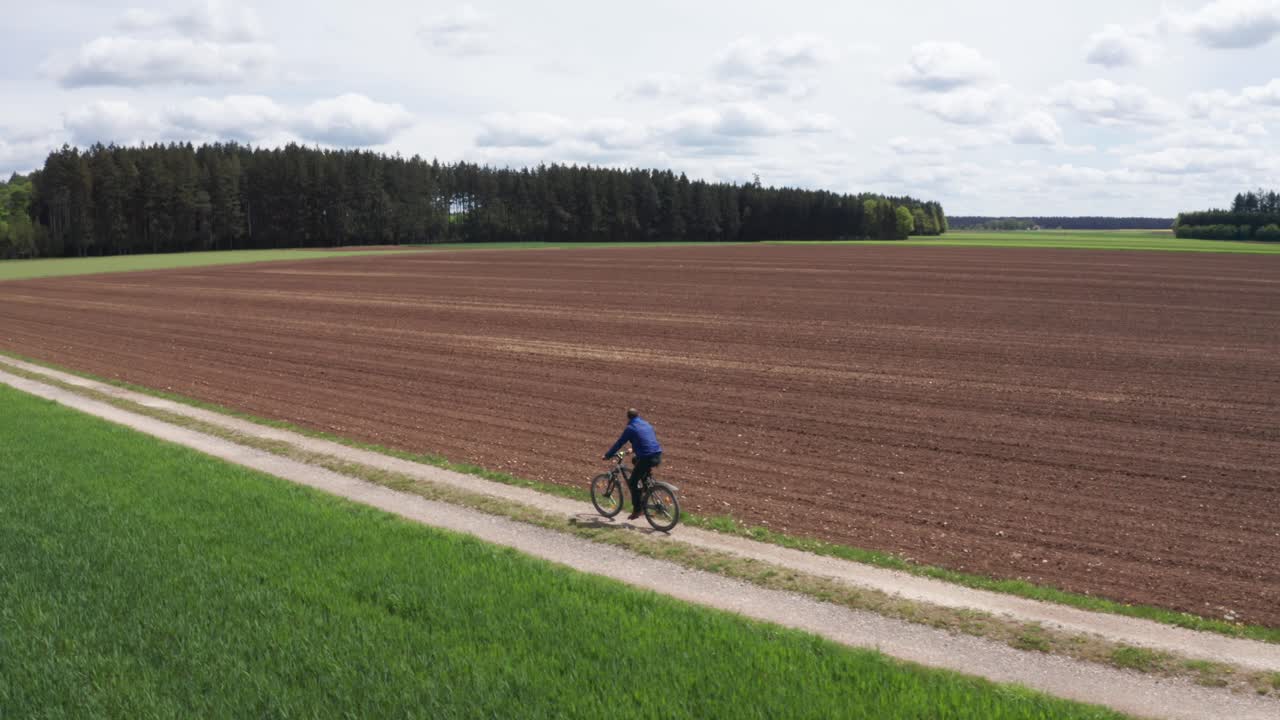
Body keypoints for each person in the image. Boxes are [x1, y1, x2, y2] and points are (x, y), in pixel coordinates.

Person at [603, 408, 664, 520]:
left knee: (632, 482)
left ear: (628, 417)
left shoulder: (630, 428)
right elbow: (646, 441)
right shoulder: (646, 424)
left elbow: (620, 442)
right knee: (635, 461)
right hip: (657, 455)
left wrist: (608, 455)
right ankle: (646, 486)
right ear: (638, 415)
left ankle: (638, 509)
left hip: (646, 458)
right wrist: (633, 449)